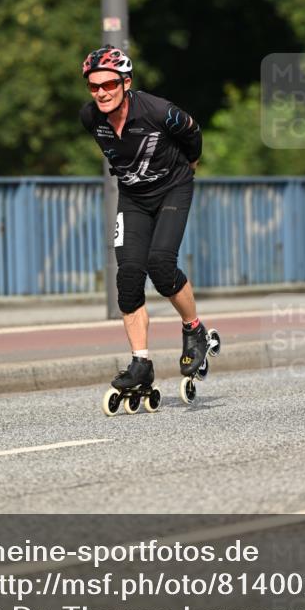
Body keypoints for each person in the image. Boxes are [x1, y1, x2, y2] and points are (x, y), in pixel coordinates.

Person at [79, 43, 211, 394]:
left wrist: (190, 163)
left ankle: (194, 329)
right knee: (129, 276)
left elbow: (193, 133)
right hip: (133, 198)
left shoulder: (159, 111)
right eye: (94, 86)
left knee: (161, 265)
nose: (102, 93)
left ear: (126, 82)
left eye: (109, 84)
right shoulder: (90, 117)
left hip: (173, 189)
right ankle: (141, 363)